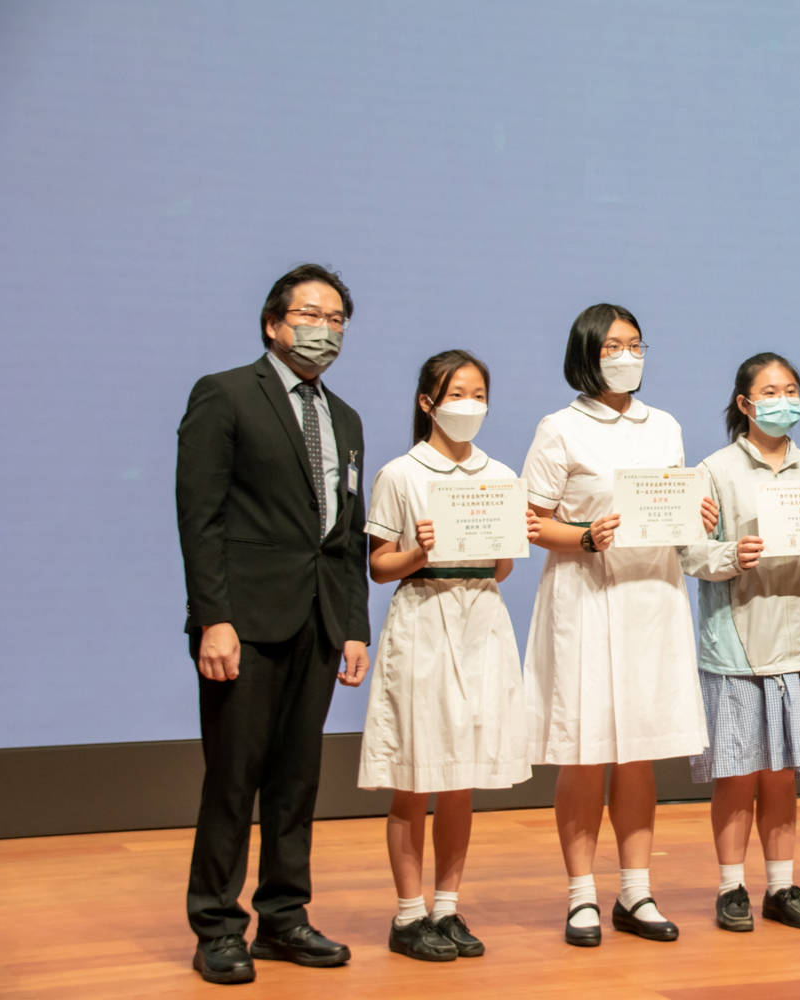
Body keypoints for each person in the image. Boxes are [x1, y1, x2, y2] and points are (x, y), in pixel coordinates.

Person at [176, 263, 370, 984]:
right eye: (310, 315)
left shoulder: (344, 418)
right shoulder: (225, 394)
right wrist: (213, 619)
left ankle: (284, 917)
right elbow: (200, 519)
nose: (325, 330)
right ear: (273, 323)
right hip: (245, 624)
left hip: (318, 622)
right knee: (234, 778)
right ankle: (217, 926)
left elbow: (345, 536)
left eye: (337, 319)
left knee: (296, 781)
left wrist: (354, 626)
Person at [521, 303, 717, 946]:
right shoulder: (560, 428)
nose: (626, 356)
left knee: (638, 753)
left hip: (652, 599)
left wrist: (697, 516)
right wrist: (584, 535)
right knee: (585, 752)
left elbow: (672, 508)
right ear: (586, 353)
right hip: (587, 598)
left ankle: (636, 891)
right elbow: (530, 520)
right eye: (612, 346)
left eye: (635, 344)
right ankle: (581, 896)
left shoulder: (665, 426)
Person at [358, 350, 542, 960]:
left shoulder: (501, 475)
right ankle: (408, 915)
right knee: (415, 774)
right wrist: (417, 553)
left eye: (479, 394)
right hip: (423, 615)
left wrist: (502, 543)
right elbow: (379, 566)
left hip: (481, 617)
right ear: (427, 403)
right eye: (457, 393)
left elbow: (503, 566)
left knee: (462, 776)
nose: (470, 405)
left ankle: (446, 906)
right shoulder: (401, 474)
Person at [679, 352, 800, 933]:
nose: (783, 400)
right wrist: (731, 554)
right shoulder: (713, 471)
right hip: (737, 644)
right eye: (769, 391)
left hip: (799, 642)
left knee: (784, 773)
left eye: (791, 390)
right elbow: (690, 553)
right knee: (736, 774)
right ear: (744, 404)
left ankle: (781, 887)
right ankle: (731, 887)